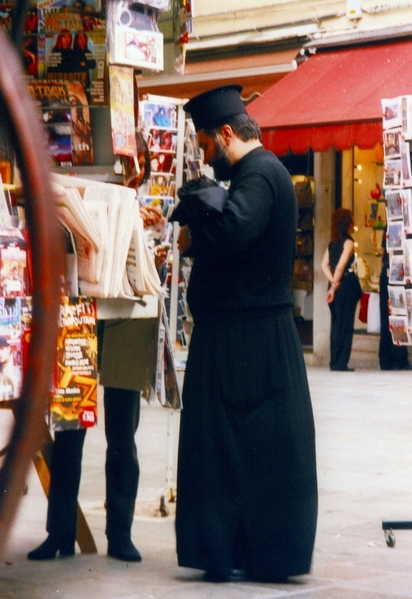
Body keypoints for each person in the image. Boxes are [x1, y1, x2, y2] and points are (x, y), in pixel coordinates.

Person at [172, 85, 318, 583]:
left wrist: (196, 207)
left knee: (232, 448)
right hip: (247, 336)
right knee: (238, 449)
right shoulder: (263, 173)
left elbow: (235, 228)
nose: (206, 158)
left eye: (206, 145)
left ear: (227, 134)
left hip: (247, 341)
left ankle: (241, 550)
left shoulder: (258, 174)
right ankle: (236, 549)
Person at [27, 133, 164, 562]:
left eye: (133, 161)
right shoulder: (78, 190)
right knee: (70, 423)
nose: (129, 168)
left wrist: (150, 234)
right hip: (82, 313)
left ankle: (119, 533)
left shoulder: (146, 207)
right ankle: (60, 532)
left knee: (123, 432)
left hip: (126, 316)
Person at [321, 208, 362, 371]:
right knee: (345, 325)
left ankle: (334, 361)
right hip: (345, 285)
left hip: (334, 285)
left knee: (336, 324)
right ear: (348, 224)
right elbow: (341, 266)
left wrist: (331, 283)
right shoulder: (348, 242)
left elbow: (325, 265)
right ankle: (341, 362)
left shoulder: (332, 243)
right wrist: (335, 285)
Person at [379, 226, 411, 370]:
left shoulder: (390, 226)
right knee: (398, 314)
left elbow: (382, 255)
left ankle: (386, 359)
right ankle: (398, 358)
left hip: (388, 272)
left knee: (388, 317)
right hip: (398, 272)